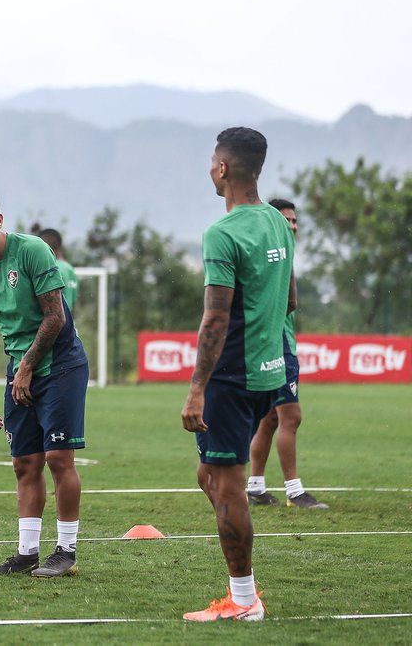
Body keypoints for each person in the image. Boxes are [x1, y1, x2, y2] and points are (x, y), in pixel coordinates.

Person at [180, 127, 293, 621]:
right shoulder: (278, 223)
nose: (209, 167)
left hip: (231, 377)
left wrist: (196, 389)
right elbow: (288, 299)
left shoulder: (223, 233)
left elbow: (216, 318)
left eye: (212, 160)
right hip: (269, 372)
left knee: (226, 484)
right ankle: (244, 577)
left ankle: (244, 600)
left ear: (224, 169)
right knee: (209, 474)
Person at [0, 188, 88, 579]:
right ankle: (26, 553)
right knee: (24, 463)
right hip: (19, 369)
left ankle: (66, 551)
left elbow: (55, 318)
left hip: (60, 364)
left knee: (58, 459)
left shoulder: (32, 251)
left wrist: (27, 367)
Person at [247, 199, 327, 509]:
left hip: (277, 342)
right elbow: (286, 304)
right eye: (286, 221)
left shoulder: (280, 255)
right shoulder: (275, 257)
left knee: (269, 419)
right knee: (291, 417)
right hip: (277, 345)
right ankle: (295, 491)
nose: (292, 226)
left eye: (294, 221)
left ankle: (255, 486)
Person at [34, 228, 78, 312]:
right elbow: (73, 304)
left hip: (56, 322)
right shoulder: (70, 269)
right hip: (70, 323)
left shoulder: (52, 268)